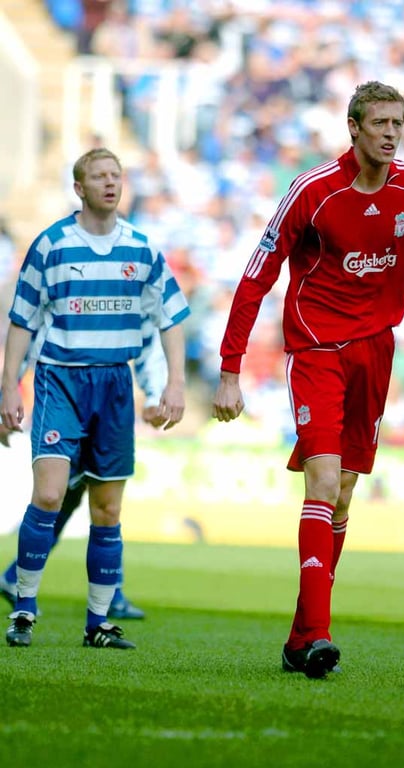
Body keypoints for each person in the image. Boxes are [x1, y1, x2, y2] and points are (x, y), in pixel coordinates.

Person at [212, 81, 404, 679]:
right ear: (353, 126)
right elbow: (256, 276)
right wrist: (229, 369)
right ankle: (320, 634)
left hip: (376, 352)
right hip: (317, 348)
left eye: (398, 122)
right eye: (379, 122)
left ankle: (300, 637)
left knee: (345, 491)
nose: (391, 133)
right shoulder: (313, 191)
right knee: (323, 478)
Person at [0, 147, 190, 650]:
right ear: (79, 188)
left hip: (113, 383)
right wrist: (6, 387)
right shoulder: (51, 245)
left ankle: (98, 624)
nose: (110, 183)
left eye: (116, 175)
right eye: (98, 177)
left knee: (107, 509)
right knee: (49, 493)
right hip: (60, 379)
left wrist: (174, 383)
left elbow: (171, 317)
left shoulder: (143, 250)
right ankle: (24, 608)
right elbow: (22, 322)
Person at [0, 324, 169, 620]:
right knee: (80, 497)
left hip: (99, 394)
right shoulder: (62, 283)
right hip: (65, 393)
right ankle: (109, 593)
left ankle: (17, 577)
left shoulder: (119, 290)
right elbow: (26, 328)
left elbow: (145, 326)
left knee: (78, 497)